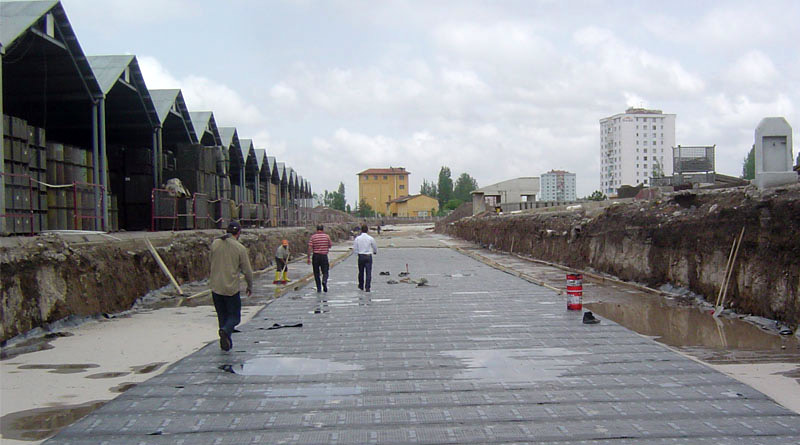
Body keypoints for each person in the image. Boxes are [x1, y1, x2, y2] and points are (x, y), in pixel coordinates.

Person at [209, 220, 253, 352]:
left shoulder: (215, 243)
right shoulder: (239, 248)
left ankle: (226, 340)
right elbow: (247, 270)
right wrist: (250, 285)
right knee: (234, 317)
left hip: (216, 287)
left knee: (222, 316)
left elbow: (211, 261)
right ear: (238, 233)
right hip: (231, 289)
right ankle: (226, 331)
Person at [308, 224, 333, 292]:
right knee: (325, 271)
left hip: (315, 256)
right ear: (323, 229)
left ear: (317, 229)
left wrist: (308, 258)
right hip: (324, 256)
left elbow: (310, 247)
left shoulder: (313, 237)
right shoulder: (326, 237)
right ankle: (324, 280)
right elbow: (330, 245)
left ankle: (319, 288)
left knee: (316, 273)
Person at [353, 224, 377, 292]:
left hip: (361, 256)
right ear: (367, 230)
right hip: (368, 256)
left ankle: (361, 285)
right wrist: (375, 252)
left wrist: (357, 254)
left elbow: (355, 248)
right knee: (368, 272)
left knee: (361, 272)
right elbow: (374, 246)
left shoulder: (357, 238)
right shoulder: (370, 238)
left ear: (361, 230)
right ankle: (367, 287)